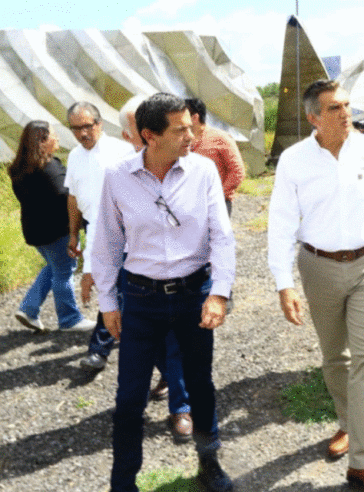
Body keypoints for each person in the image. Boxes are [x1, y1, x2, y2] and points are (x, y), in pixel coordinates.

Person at [268, 80, 364, 492]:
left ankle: (362, 462)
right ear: (313, 117)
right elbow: (280, 223)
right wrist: (284, 283)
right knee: (337, 358)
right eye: (334, 108)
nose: (346, 113)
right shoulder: (294, 161)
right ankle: (348, 422)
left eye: (347, 105)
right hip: (319, 267)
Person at [92, 92, 236, 492]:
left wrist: (219, 293)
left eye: (191, 126)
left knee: (200, 385)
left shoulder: (203, 171)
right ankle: (122, 483)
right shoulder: (118, 176)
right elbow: (105, 243)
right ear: (150, 136)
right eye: (181, 129)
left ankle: (210, 463)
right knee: (129, 396)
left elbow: (222, 237)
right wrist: (108, 304)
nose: (192, 135)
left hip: (194, 295)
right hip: (140, 299)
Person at [67, 101, 135, 370]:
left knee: (115, 289)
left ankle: (100, 350)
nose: (83, 133)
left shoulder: (122, 152)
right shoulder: (74, 156)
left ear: (100, 124)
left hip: (125, 232)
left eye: (87, 126)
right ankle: (104, 347)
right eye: (76, 128)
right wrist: (73, 234)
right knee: (117, 291)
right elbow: (73, 198)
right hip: (94, 229)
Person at [9, 121, 95, 332]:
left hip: (34, 231)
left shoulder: (19, 168)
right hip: (56, 232)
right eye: (53, 135)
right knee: (64, 272)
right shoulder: (49, 167)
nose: (57, 138)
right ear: (42, 142)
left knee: (55, 267)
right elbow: (65, 195)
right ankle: (69, 319)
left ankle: (28, 309)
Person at [185, 98, 245, 217]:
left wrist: (217, 197)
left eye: (183, 116)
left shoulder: (221, 138)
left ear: (194, 118)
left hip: (217, 206)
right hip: (190, 206)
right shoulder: (183, 140)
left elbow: (237, 171)